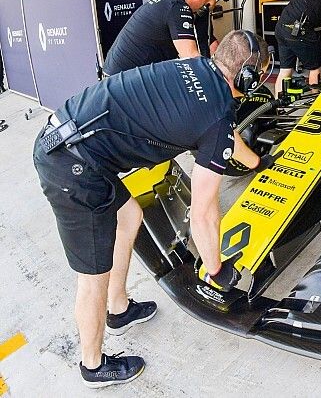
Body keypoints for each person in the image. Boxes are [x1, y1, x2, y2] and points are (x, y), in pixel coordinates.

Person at [32, 30, 270, 387]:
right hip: (73, 167)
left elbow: (226, 134)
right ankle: (93, 366)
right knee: (92, 274)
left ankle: (118, 309)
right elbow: (204, 211)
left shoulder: (195, 66)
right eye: (262, 74)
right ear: (249, 79)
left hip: (75, 141)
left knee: (129, 214)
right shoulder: (216, 117)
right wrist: (216, 269)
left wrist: (255, 163)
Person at [103, 0, 212, 75]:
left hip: (116, 72)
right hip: (123, 79)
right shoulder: (177, 6)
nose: (208, 1)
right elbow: (191, 58)